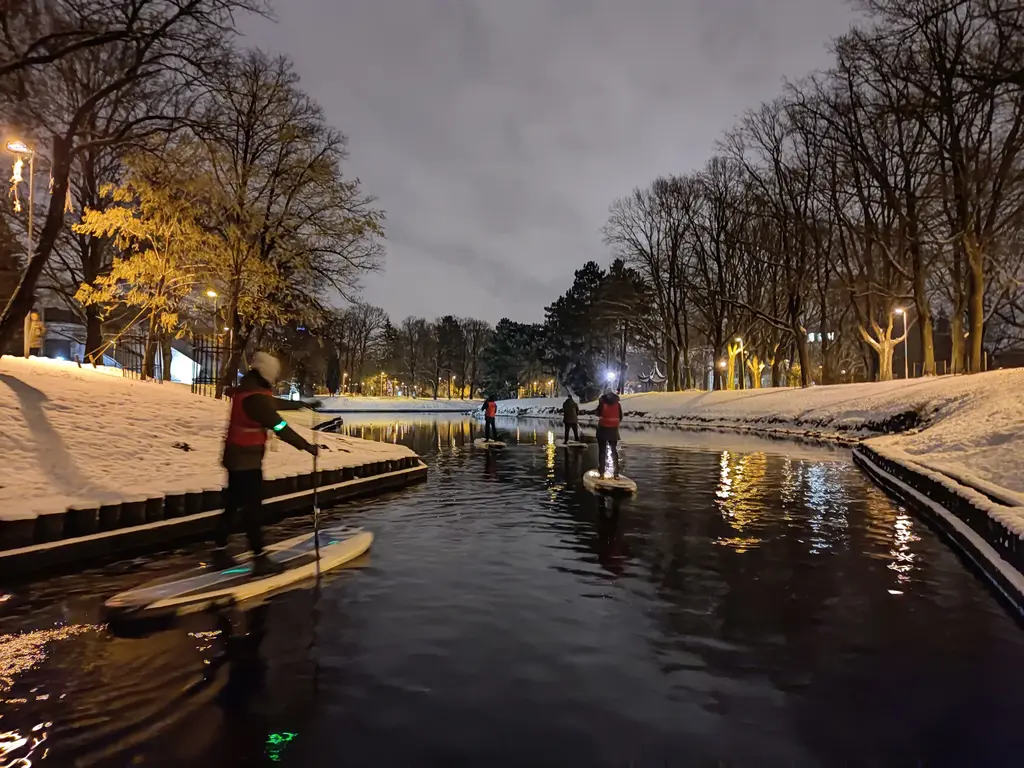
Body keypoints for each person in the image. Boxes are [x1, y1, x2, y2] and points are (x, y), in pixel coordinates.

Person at [214, 351, 321, 575]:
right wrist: (307, 446)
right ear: (268, 372)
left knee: (233, 505)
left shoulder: (249, 388)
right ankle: (259, 558)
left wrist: (301, 404)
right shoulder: (255, 398)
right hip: (246, 461)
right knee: (252, 509)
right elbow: (279, 425)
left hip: (236, 457)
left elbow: (271, 403)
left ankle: (219, 552)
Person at [592, 388, 623, 478]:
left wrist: (598, 406)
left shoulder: (602, 403)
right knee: (614, 451)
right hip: (613, 430)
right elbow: (620, 416)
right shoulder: (618, 404)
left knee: (602, 451)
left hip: (603, 430)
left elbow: (598, 413)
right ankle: (616, 472)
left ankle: (602, 472)